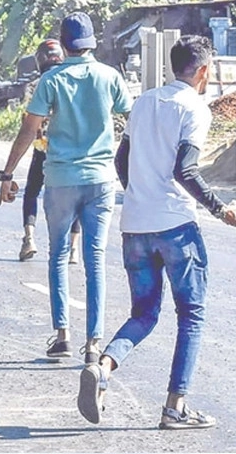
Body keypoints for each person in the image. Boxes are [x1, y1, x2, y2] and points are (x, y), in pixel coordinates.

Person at [77, 35, 236, 429]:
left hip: (135, 227)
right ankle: (175, 407)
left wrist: (140, 195)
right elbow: (186, 169)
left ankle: (104, 366)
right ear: (203, 71)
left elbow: (122, 160)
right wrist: (219, 209)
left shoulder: (145, 101)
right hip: (176, 228)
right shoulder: (195, 108)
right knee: (191, 315)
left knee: (144, 313)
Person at [0, 12, 132, 362]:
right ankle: (94, 343)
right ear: (92, 41)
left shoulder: (51, 80)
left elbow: (29, 130)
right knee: (95, 260)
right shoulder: (109, 76)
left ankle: (62, 336)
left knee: (58, 257)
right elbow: (129, 116)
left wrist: (7, 174)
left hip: (60, 180)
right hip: (101, 180)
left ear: (63, 43)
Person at [18, 40, 82, 264]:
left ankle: (29, 239)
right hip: (69, 148)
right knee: (74, 198)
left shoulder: (38, 84)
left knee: (31, 192)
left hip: (43, 148)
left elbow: (29, 120)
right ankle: (73, 249)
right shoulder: (71, 80)